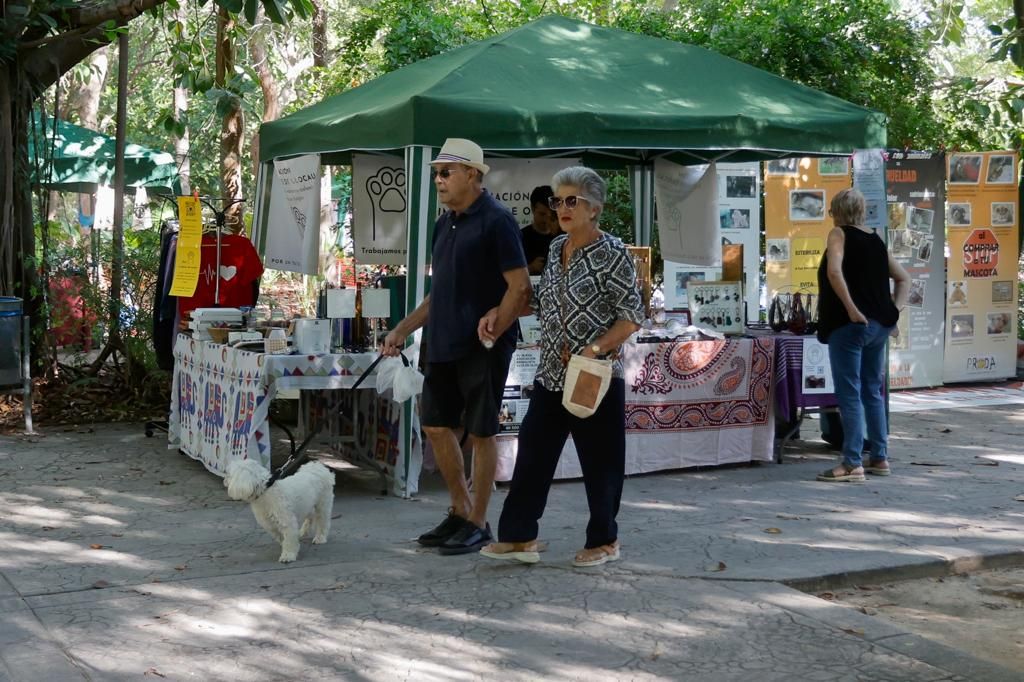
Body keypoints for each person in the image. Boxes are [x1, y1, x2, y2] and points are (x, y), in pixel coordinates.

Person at [477, 166, 644, 566]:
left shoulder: (613, 253)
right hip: (552, 373)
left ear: (594, 209)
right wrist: (498, 314)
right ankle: (519, 537)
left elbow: (632, 315)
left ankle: (604, 540)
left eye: (572, 201)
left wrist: (597, 348)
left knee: (600, 463)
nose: (562, 208)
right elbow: (543, 304)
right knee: (533, 454)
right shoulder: (556, 249)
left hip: (594, 375)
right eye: (558, 200)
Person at [382, 138, 531, 555]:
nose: (439, 180)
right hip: (442, 342)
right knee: (434, 424)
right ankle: (460, 509)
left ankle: (479, 522)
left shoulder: (497, 220)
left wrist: (495, 325)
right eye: (436, 174)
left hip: (482, 346)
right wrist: (402, 329)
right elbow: (438, 293)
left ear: (473, 174)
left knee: (482, 433)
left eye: (446, 172)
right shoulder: (443, 223)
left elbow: (520, 288)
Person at [815, 188, 909, 482]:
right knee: (872, 391)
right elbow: (904, 278)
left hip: (850, 326)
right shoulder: (875, 240)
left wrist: (852, 309)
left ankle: (852, 462)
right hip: (878, 326)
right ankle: (879, 457)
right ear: (862, 211)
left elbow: (834, 272)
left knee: (850, 393)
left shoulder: (838, 235)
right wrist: (893, 313)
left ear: (836, 212)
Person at [520, 185, 558, 274]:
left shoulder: (563, 236)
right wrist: (531, 267)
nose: (546, 220)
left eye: (551, 215)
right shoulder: (520, 237)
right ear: (533, 209)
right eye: (542, 214)